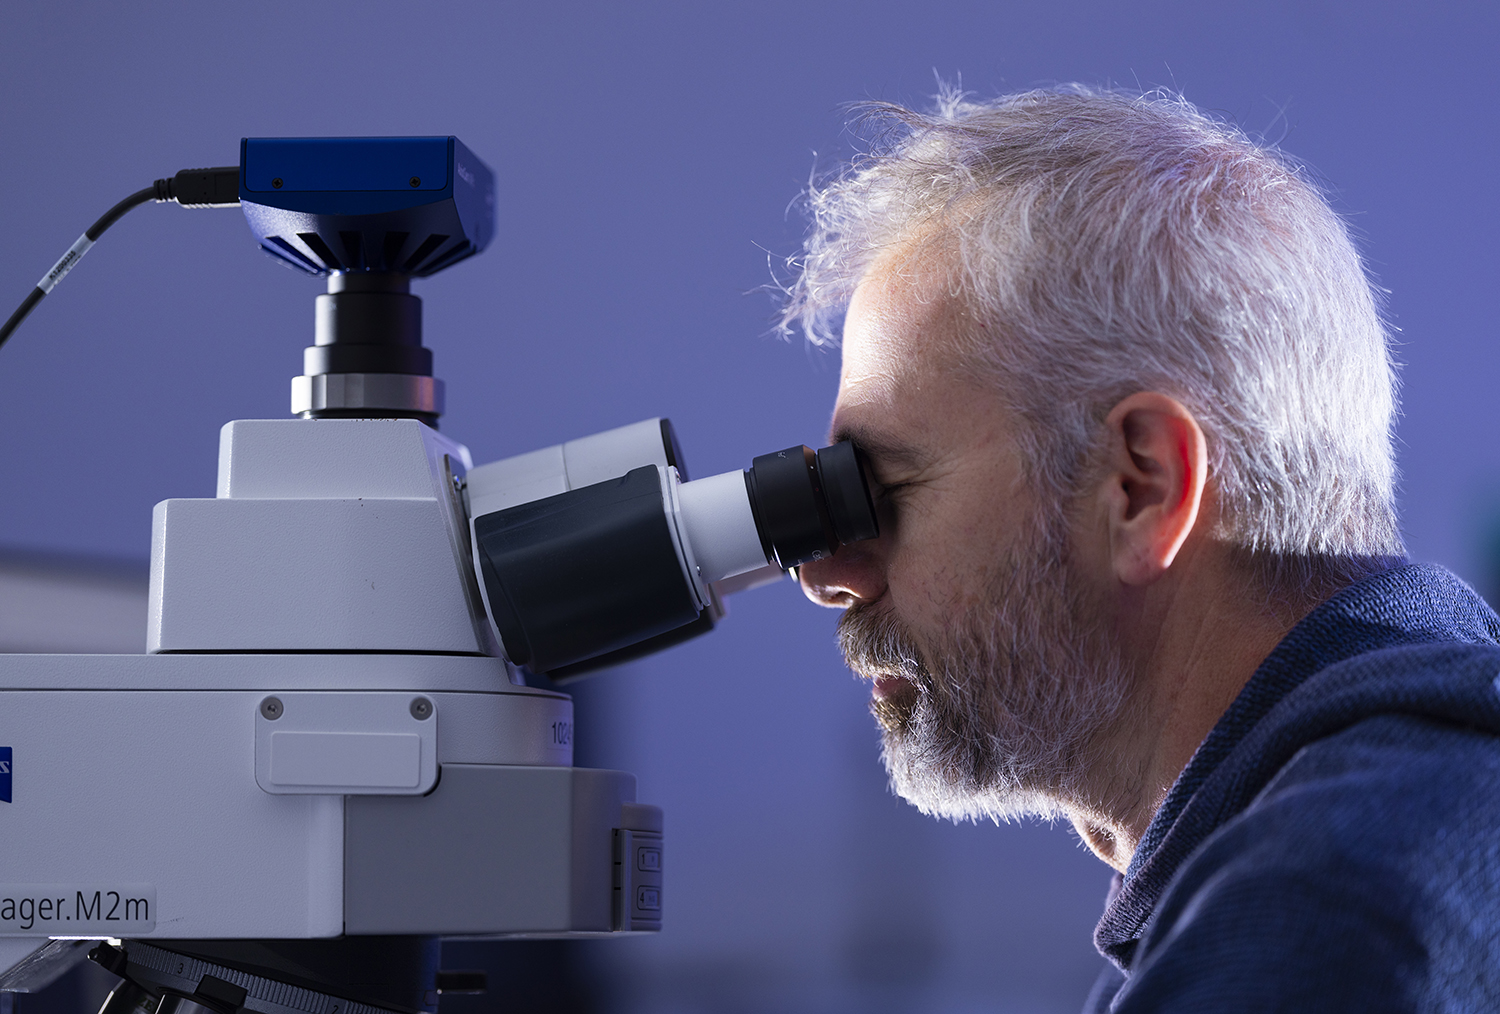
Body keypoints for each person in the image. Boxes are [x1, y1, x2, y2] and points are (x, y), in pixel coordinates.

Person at [784, 86, 1500, 1011]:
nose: (828, 574)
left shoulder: (1318, 919)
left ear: (1141, 485)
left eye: (881, 490)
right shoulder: (1423, 814)